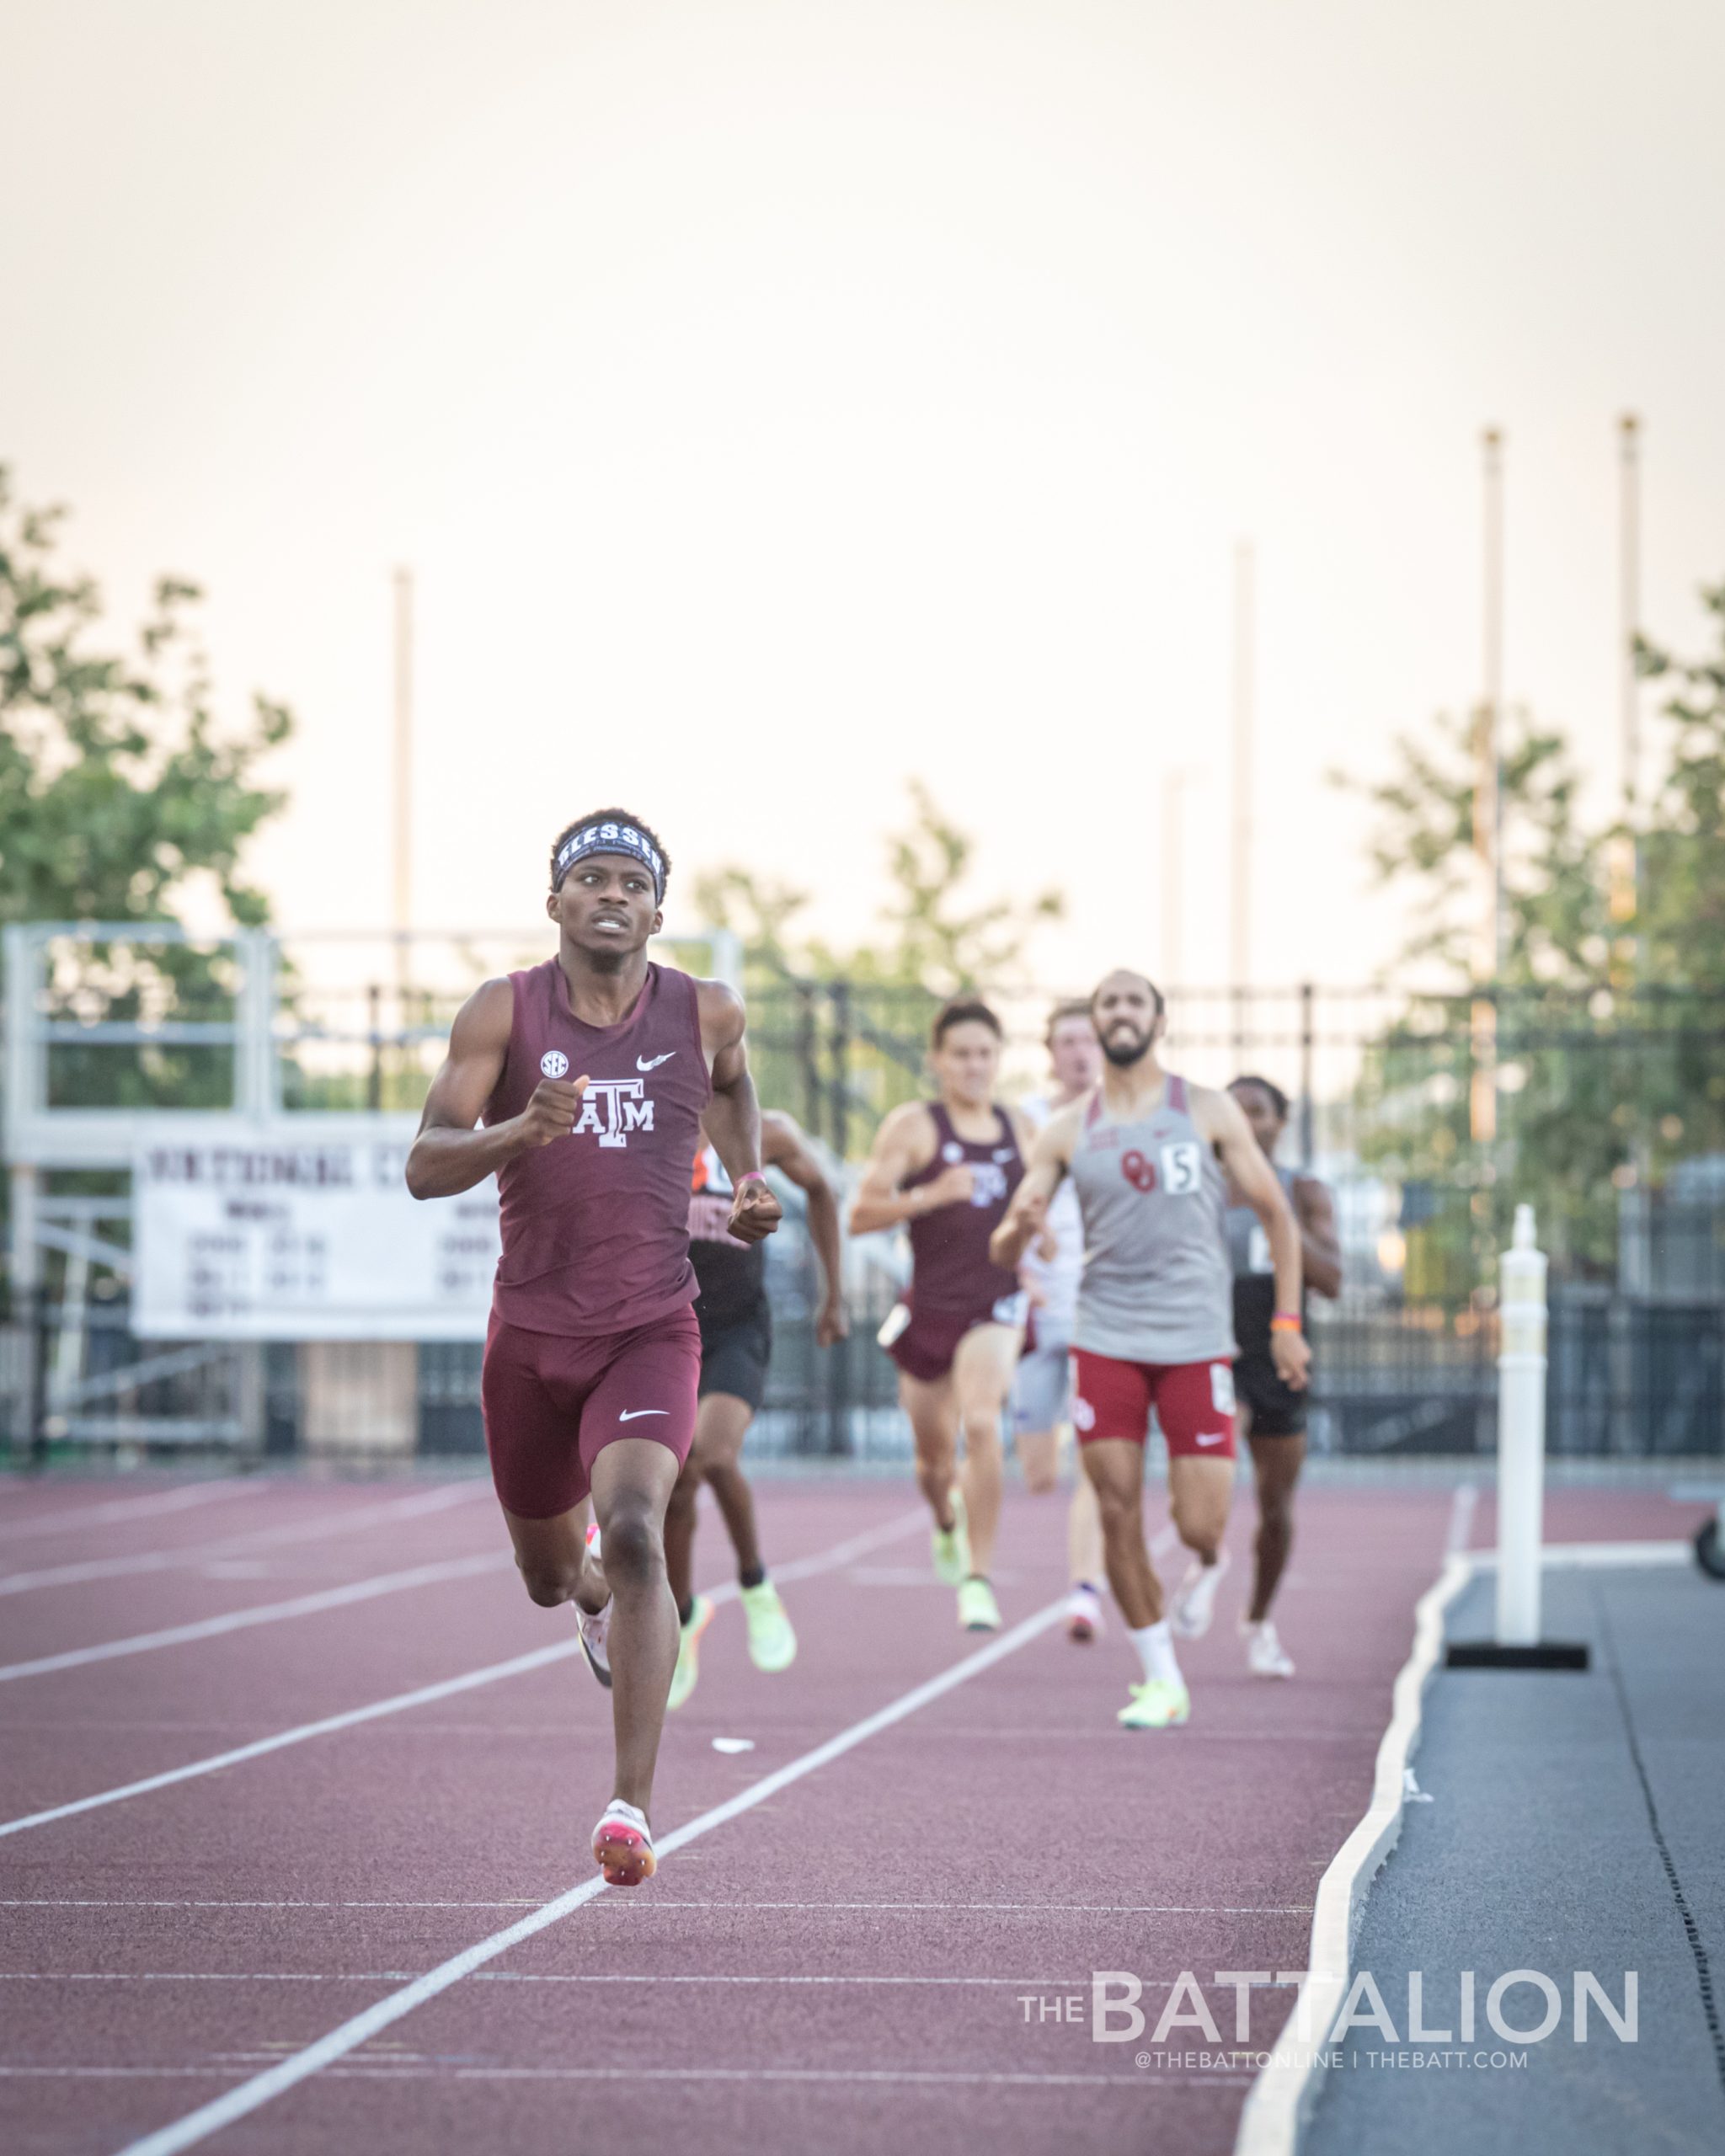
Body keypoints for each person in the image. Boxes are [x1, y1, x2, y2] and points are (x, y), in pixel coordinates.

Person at [405, 809, 780, 1886]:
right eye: (591, 879)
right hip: (528, 1337)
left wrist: (746, 1182)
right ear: (556, 903)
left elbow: (735, 1084)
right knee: (546, 1572)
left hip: (649, 1326)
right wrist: (519, 1130)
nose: (611, 894)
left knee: (633, 1525)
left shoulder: (704, 1008)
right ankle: (586, 1603)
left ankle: (630, 1806)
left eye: (631, 881)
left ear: (657, 911)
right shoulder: (503, 1010)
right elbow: (424, 1165)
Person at [991, 969, 1309, 1729]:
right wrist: (1021, 1226)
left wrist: (1287, 1325)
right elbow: (1005, 1243)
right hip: (1106, 1337)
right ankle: (1161, 1677)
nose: (1121, 1013)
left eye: (1135, 1001)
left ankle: (1206, 1560)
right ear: (1095, 1024)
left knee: (1200, 1525)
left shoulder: (1205, 1108)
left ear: (1158, 1020)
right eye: (1108, 1003)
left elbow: (1278, 1216)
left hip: (1197, 1339)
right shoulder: (1068, 1128)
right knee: (1115, 1505)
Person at [849, 999, 1034, 1633]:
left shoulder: (1022, 1131)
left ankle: (978, 1580)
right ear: (937, 1061)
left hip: (998, 1306)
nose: (974, 1066)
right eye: (961, 1054)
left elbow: (1046, 1216)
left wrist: (1042, 1238)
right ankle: (947, 1519)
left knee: (982, 1425)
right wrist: (932, 1194)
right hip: (928, 1309)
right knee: (932, 1462)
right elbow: (860, 1216)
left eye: (985, 1053)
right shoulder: (915, 1127)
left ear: (998, 1059)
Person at [663, 1111, 848, 1708]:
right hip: (663, 1329)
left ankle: (755, 1581)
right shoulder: (643, 1123)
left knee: (712, 1456)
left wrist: (834, 1295)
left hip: (738, 1328)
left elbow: (820, 1189)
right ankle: (685, 1615)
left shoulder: (762, 1131)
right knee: (675, 1484)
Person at [1225, 1074, 1342, 1678]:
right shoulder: (1200, 1192)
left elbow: (1334, 1281)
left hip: (1281, 1351)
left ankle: (1258, 1618)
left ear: (1279, 1121)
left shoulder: (1305, 1192)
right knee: (1213, 1473)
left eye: (1258, 1111)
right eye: (1234, 1110)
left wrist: (1276, 1213)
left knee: (1275, 1506)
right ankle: (1201, 1557)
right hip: (1217, 1349)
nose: (1246, 1121)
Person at [1013, 1001, 1109, 1643]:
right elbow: (1008, 1208)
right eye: (1067, 1040)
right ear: (1051, 1052)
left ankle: (1085, 1591)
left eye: (1088, 1040)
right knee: (1040, 1471)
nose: (1079, 1051)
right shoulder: (1029, 1120)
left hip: (1101, 1310)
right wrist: (1018, 1273)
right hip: (1035, 1310)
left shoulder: (1128, 1120)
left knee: (1095, 1462)